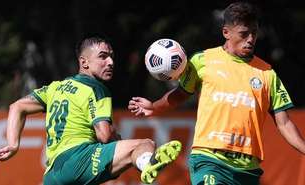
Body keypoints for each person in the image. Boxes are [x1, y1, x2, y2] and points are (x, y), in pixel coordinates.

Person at [128, 2, 305, 185]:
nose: (250, 39)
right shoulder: (202, 61)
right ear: (226, 32)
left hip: (247, 169)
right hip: (209, 159)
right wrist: (154, 107)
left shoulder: (267, 73)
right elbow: (180, 94)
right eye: (244, 34)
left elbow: (284, 123)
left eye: (254, 33)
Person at [0, 37, 182, 185]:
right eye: (103, 57)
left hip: (52, 173)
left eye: (111, 57)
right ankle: (148, 164)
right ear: (84, 62)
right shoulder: (96, 88)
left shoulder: (55, 87)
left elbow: (17, 107)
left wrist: (13, 145)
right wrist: (117, 140)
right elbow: (104, 135)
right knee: (144, 144)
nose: (111, 62)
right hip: (78, 160)